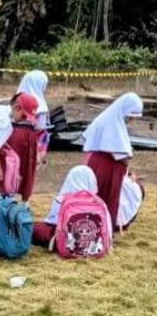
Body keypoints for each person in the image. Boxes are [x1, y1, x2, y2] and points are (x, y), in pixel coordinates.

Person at [83, 92, 143, 229]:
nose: (130, 120)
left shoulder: (108, 119)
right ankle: (102, 227)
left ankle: (99, 225)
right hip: (106, 167)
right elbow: (121, 155)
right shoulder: (112, 123)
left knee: (102, 195)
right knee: (105, 196)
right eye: (130, 116)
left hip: (101, 164)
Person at [32, 166, 112, 246]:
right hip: (94, 243)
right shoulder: (99, 203)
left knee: (35, 227)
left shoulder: (62, 199)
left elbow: (52, 221)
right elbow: (108, 229)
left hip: (67, 241)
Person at [7, 93, 40, 203]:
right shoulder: (7, 114)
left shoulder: (33, 107)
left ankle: (25, 202)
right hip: (14, 136)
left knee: (27, 168)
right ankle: (9, 197)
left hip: (29, 138)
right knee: (10, 166)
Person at [17, 70, 51, 162]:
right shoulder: (40, 105)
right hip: (32, 142)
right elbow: (40, 126)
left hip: (14, 140)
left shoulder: (16, 100)